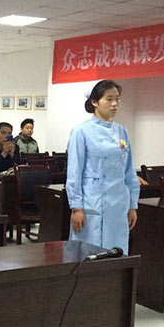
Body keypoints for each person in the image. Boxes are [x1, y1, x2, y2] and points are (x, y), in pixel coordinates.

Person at [66, 80, 139, 255]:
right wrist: (76, 207)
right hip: (91, 203)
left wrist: (132, 205)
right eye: (109, 99)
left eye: (117, 99)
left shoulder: (122, 131)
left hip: (118, 204)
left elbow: (129, 171)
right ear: (94, 102)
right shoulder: (81, 131)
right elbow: (74, 172)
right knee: (89, 252)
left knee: (116, 250)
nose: (115, 104)